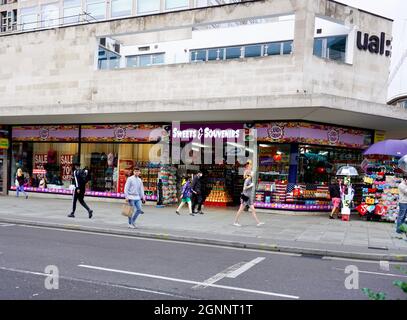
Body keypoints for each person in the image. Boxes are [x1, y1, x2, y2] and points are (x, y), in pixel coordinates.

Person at [395, 175, 407, 239]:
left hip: (406, 202)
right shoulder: (401, 185)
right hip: (403, 202)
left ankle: (402, 229)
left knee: (404, 217)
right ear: (405, 179)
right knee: (401, 216)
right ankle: (398, 230)